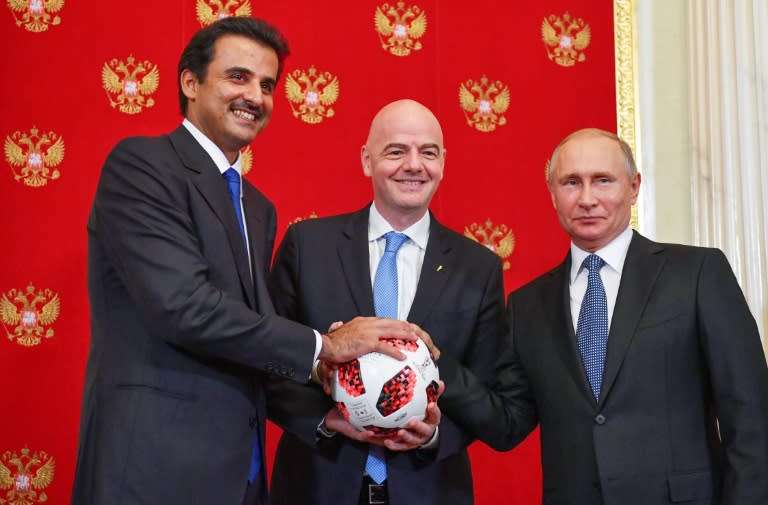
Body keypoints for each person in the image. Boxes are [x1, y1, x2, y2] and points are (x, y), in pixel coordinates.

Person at [71, 17, 420, 505]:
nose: (255, 96)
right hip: (153, 469)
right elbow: (185, 309)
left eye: (267, 85)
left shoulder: (257, 207)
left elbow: (251, 334)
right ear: (189, 83)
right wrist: (326, 344)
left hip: (242, 476)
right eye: (238, 77)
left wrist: (325, 410)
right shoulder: (143, 166)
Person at [440, 128, 768, 505]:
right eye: (571, 183)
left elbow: (750, 418)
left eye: (602, 181)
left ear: (633, 187)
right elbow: (507, 423)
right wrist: (437, 365)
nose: (587, 199)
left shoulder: (696, 274)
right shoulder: (528, 306)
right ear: (552, 195)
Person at [265, 99, 507, 505]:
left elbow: (490, 394)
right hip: (318, 485)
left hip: (429, 488)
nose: (414, 165)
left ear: (443, 162)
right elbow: (267, 359)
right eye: (396, 151)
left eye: (428, 152)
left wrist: (434, 435)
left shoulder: (478, 267)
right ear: (366, 160)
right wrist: (322, 420)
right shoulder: (308, 247)